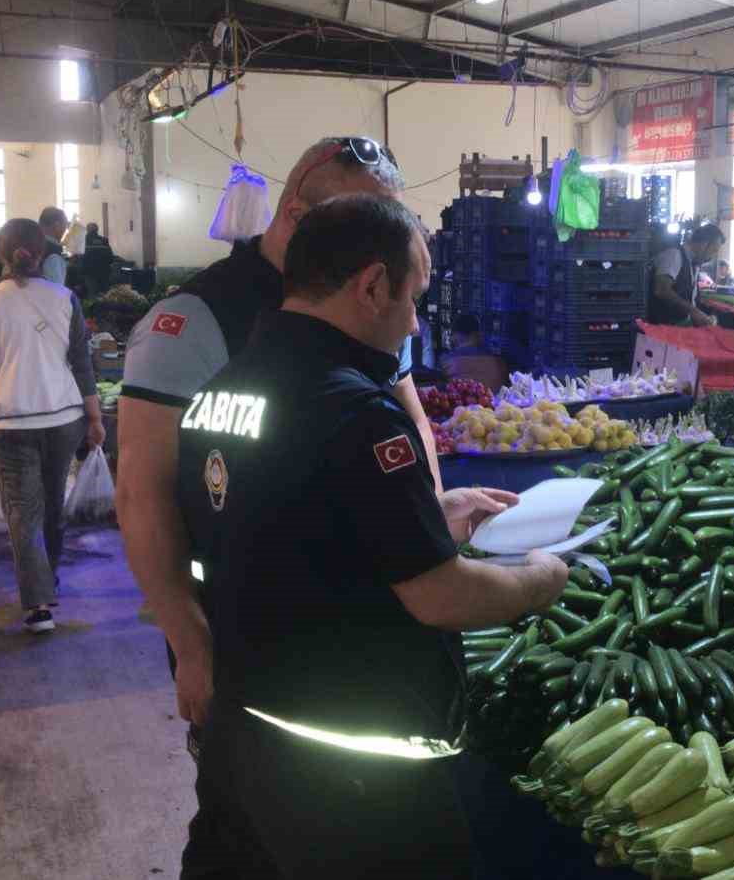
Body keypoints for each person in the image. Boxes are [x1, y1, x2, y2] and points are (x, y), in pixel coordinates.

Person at [176, 194, 567, 878]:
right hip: (352, 774)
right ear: (373, 286)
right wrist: (537, 581)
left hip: (242, 737)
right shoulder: (357, 411)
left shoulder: (220, 395)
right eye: (414, 296)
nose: (416, 319)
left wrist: (425, 514)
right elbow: (443, 596)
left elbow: (277, 524)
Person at [117, 136, 440, 743]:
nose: (382, 246)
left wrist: (429, 529)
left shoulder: (374, 293)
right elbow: (142, 494)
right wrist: (190, 645)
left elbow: (413, 420)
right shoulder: (195, 322)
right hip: (239, 624)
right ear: (295, 212)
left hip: (354, 621)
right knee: (245, 798)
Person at [0, 218, 105, 634]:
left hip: (9, 421)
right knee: (52, 505)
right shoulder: (65, 298)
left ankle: (38, 602)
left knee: (23, 511)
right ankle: (48, 577)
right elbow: (82, 363)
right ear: (42, 253)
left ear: (0, 253)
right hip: (65, 418)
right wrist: (95, 418)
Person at [649, 223, 723, 326]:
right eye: (714, 250)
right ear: (704, 244)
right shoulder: (674, 255)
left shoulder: (693, 263)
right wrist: (693, 311)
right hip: (664, 327)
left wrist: (703, 315)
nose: (713, 256)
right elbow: (661, 290)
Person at [440, 313, 507, 390]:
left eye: (452, 334)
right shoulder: (499, 363)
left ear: (457, 334)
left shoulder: (447, 361)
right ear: (477, 334)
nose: (451, 338)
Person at [38, 206, 70, 286]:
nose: (66, 230)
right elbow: (56, 289)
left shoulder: (33, 244)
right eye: (65, 226)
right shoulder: (53, 252)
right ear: (57, 225)